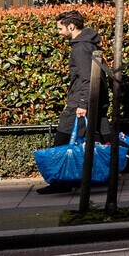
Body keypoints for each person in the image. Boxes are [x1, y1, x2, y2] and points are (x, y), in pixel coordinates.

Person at [46, 10, 99, 192]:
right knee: (102, 135)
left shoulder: (80, 48)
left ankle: (59, 182)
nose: (59, 32)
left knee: (62, 136)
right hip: (89, 98)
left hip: (79, 99)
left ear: (71, 26)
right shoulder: (87, 44)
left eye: (60, 28)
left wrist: (82, 104)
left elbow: (87, 78)